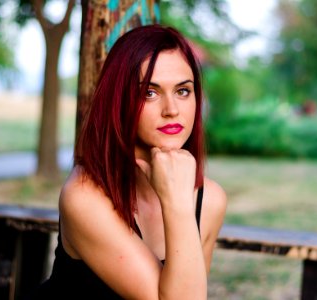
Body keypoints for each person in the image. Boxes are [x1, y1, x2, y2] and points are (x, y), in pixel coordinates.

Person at [28, 24, 227, 299]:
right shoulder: (84, 196)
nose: (172, 110)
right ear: (119, 101)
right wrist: (178, 204)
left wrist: (178, 199)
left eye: (183, 91)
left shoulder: (210, 201)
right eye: (149, 92)